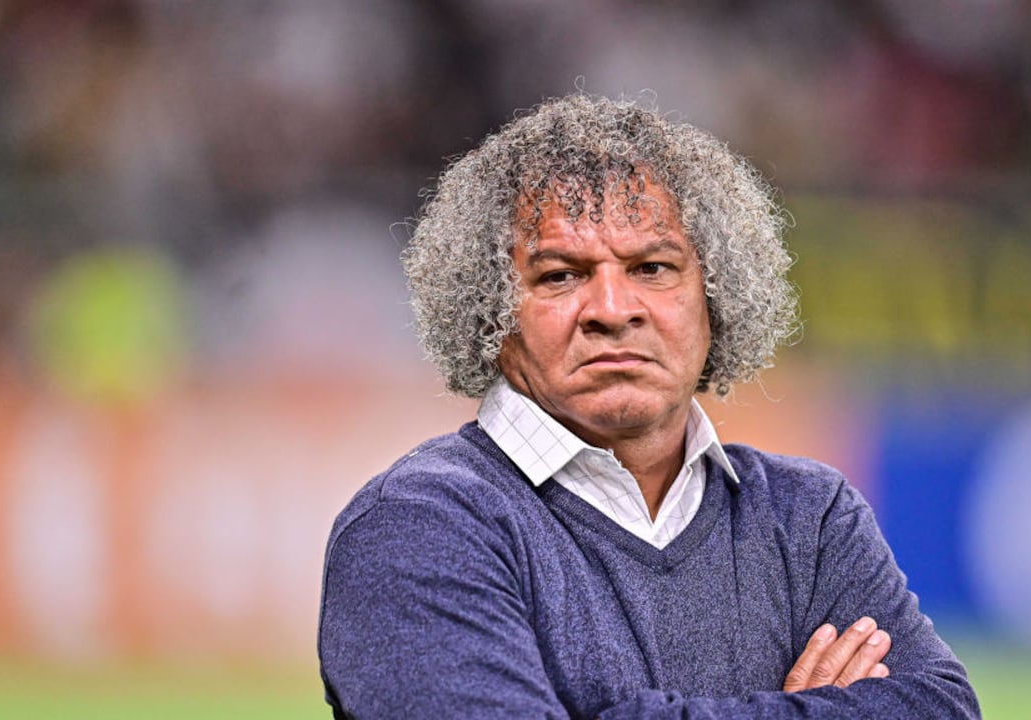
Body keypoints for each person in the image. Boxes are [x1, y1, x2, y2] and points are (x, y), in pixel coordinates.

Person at [318, 94, 980, 719]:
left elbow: (943, 707)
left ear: (716, 296)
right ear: (490, 311)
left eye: (653, 268)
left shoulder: (809, 517)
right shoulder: (418, 526)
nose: (612, 310)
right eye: (560, 275)